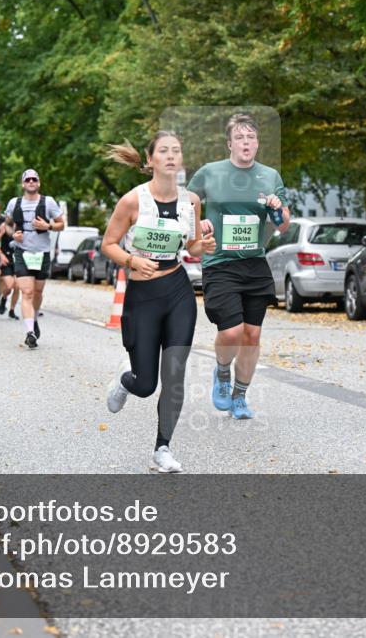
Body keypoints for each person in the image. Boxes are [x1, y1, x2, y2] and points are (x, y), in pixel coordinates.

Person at [101, 132, 215, 473]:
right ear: (149, 160)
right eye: (163, 151)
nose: (170, 156)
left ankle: (162, 449)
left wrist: (202, 248)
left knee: (175, 375)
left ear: (180, 161)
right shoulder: (132, 201)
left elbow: (192, 246)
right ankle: (126, 379)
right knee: (147, 384)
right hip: (142, 296)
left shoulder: (191, 202)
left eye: (176, 151)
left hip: (178, 291)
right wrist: (132, 261)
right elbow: (109, 244)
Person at [186, 113, 290, 420]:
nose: (247, 142)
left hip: (254, 263)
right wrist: (198, 219)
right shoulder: (210, 172)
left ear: (257, 144)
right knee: (231, 332)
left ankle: (240, 396)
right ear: (229, 143)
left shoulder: (270, 176)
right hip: (220, 262)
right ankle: (221, 374)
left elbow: (284, 226)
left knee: (252, 335)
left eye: (252, 138)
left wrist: (276, 208)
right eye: (240, 138)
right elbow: (185, 203)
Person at [5, 169, 66, 349]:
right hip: (22, 251)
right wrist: (13, 235)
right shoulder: (13, 203)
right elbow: (7, 225)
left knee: (38, 292)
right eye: (28, 180)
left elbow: (61, 224)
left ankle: (35, 313)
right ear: (23, 184)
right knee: (27, 292)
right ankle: (30, 332)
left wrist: (48, 226)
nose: (31, 182)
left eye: (34, 179)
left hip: (42, 253)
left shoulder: (48, 202)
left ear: (38, 183)